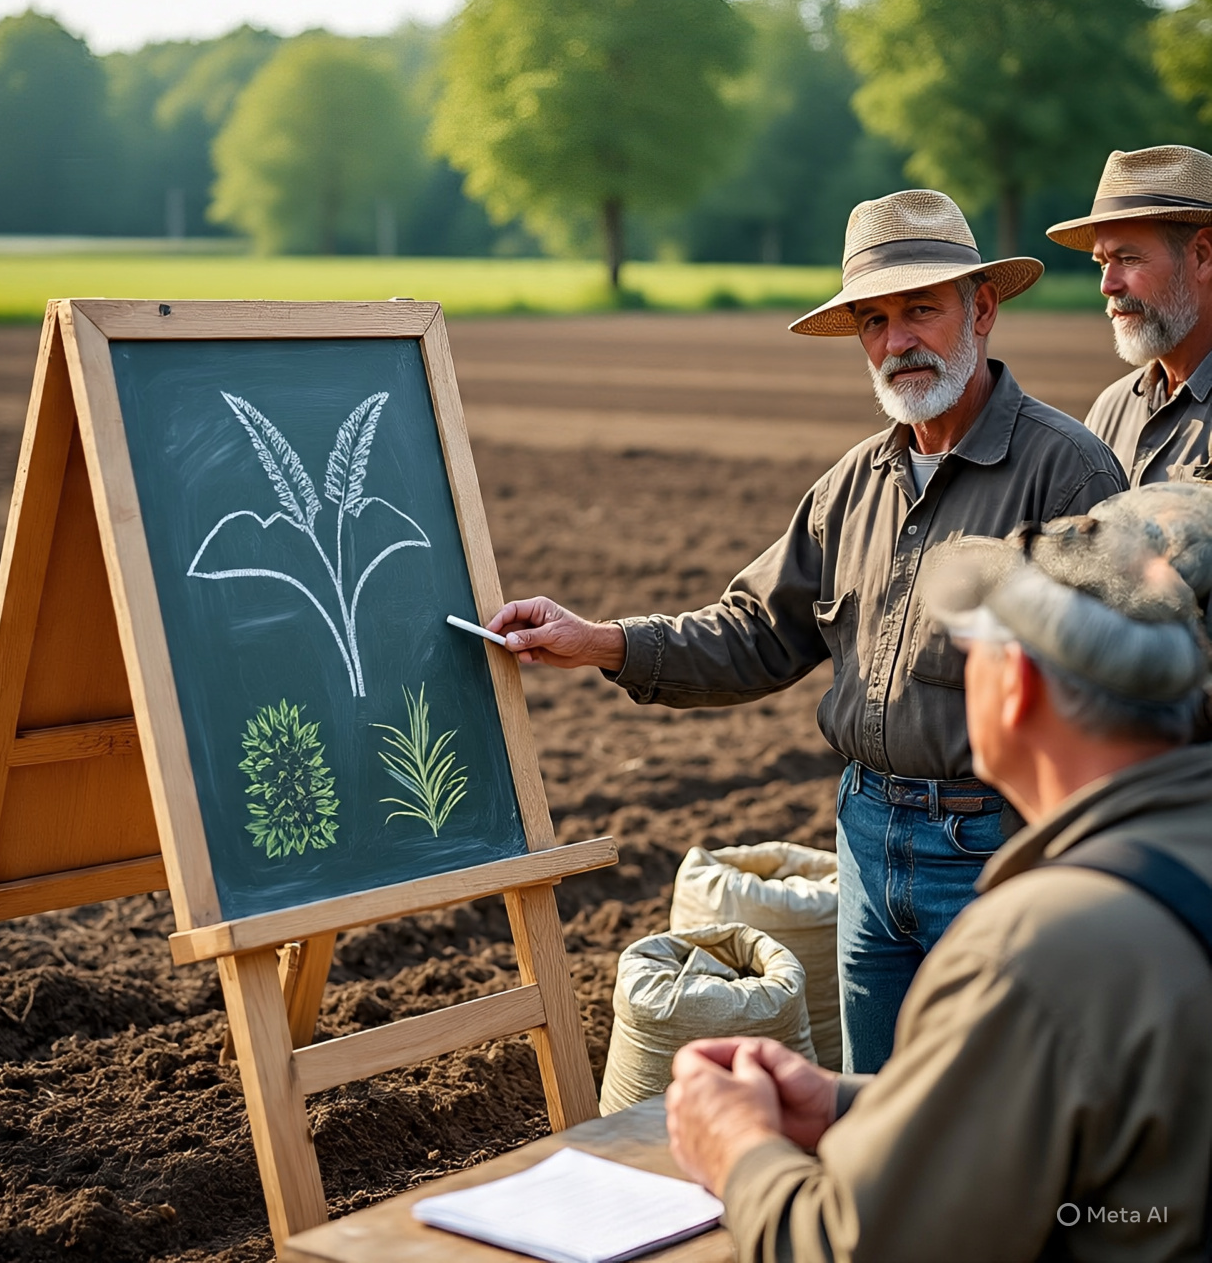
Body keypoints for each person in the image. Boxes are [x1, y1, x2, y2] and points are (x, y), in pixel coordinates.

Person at [490, 189, 1127, 1072]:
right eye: (874, 319)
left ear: (981, 309)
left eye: (920, 310)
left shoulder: (1069, 476)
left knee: (995, 1119)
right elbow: (756, 630)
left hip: (995, 850)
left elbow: (1119, 698)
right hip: (866, 841)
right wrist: (600, 639)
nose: (897, 340)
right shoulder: (851, 487)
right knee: (876, 1108)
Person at [665, 482, 1212, 1262]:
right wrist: (859, 1106)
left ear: (1014, 686)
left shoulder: (1039, 947)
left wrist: (739, 1149)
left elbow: (854, 1249)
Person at [1047, 144, 1212, 486]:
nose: (1107, 286)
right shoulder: (1111, 409)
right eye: (1103, 263)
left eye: (1129, 259)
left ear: (1202, 255)